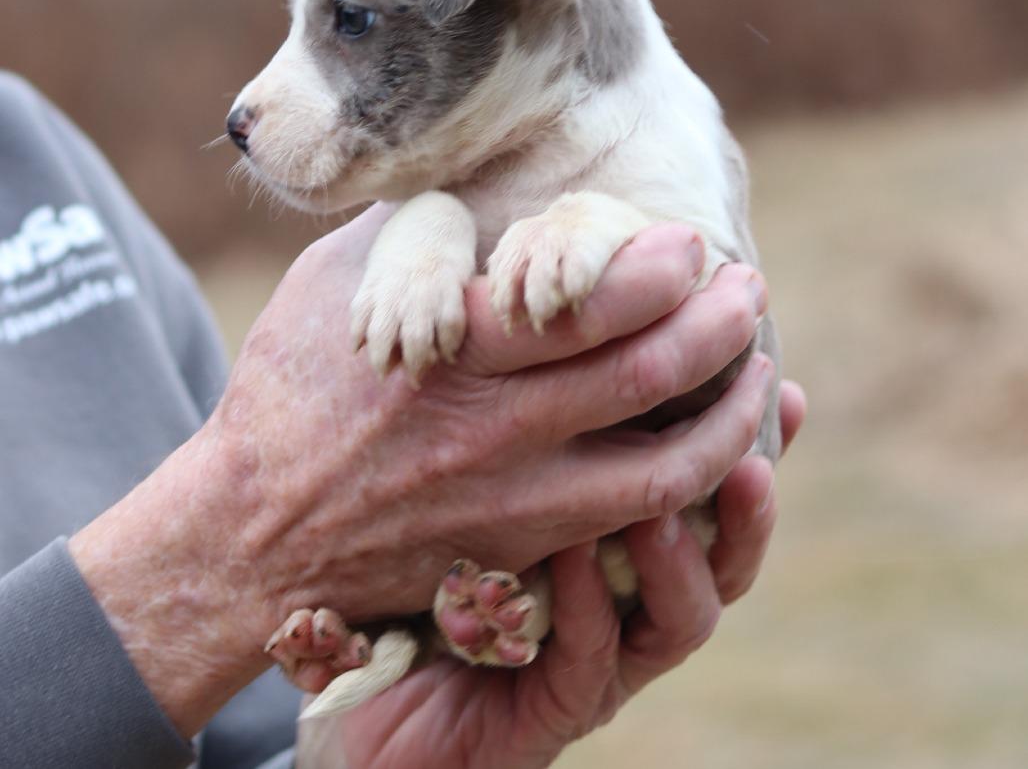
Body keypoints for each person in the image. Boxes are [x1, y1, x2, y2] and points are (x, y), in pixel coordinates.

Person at [0, 71, 805, 768]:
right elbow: (241, 548)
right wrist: (232, 555)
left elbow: (244, 736)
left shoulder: (32, 150)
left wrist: (341, 762)